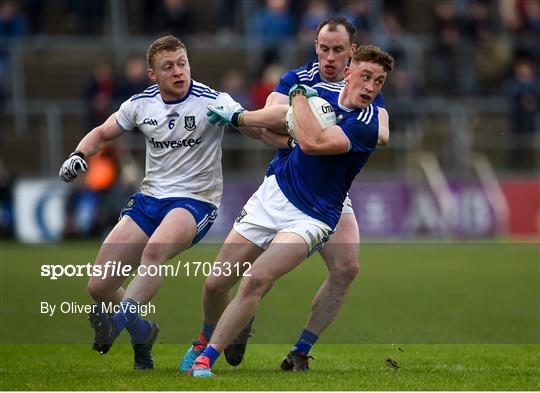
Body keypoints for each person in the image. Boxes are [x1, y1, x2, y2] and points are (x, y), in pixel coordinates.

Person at [179, 16, 391, 373]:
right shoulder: (299, 80)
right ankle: (224, 328)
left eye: (338, 50)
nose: (330, 56)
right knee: (217, 282)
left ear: (351, 54)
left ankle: (299, 350)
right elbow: (271, 122)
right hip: (283, 182)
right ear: (316, 47)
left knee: (345, 266)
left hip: (325, 199)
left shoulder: (365, 88)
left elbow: (378, 132)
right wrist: (249, 119)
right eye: (324, 48)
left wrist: (309, 124)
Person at [58, 35, 244, 370]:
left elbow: (252, 125)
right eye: (168, 67)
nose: (178, 71)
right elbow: (101, 133)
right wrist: (79, 154)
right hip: (149, 199)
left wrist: (286, 130)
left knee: (155, 251)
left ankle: (118, 322)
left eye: (182, 63)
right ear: (151, 74)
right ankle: (142, 331)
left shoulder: (213, 101)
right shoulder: (140, 105)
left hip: (195, 201)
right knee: (100, 286)